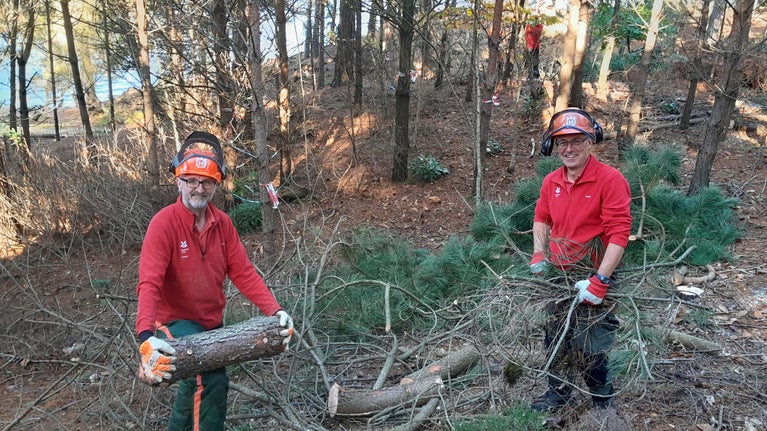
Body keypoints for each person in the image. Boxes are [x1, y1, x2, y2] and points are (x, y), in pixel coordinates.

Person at [135, 131, 293, 430]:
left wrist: (275, 311)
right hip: (172, 321)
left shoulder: (223, 224)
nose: (199, 188)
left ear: (216, 184)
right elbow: (149, 283)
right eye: (192, 180)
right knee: (210, 380)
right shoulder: (164, 224)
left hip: (209, 322)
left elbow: (243, 272)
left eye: (207, 182)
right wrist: (145, 336)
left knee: (198, 385)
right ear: (179, 180)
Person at [529, 108, 632, 412]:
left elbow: (619, 232)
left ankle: (602, 402)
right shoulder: (552, 181)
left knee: (592, 345)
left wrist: (601, 280)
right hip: (559, 272)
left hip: (596, 270)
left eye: (577, 141)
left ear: (591, 142)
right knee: (556, 337)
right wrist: (539, 251)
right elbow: (541, 216)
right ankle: (558, 394)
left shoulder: (609, 180)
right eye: (562, 143)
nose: (569, 148)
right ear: (552, 147)